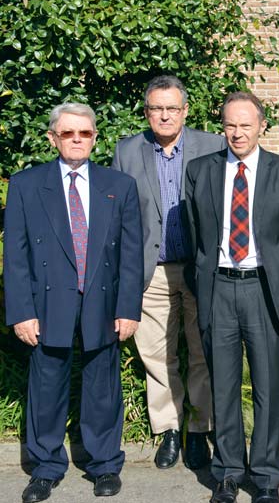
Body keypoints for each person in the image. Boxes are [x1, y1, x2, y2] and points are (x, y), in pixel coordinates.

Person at [5, 103, 143, 502]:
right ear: (53, 138)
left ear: (95, 138)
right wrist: (22, 312)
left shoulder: (119, 185)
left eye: (85, 133)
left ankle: (104, 466)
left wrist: (128, 308)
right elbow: (15, 256)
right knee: (46, 389)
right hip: (47, 305)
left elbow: (130, 256)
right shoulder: (27, 185)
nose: (78, 140)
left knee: (103, 389)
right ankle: (45, 468)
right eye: (68, 133)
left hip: (103, 302)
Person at [185, 92, 279, 503]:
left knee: (268, 387)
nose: (237, 133)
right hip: (218, 287)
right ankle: (228, 471)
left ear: (261, 126)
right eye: (230, 125)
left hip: (263, 289)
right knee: (224, 385)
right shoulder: (201, 170)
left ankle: (267, 476)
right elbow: (194, 232)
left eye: (245, 125)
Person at [112, 75, 223, 470]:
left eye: (171, 108)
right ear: (146, 112)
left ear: (185, 111)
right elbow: (118, 217)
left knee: (201, 351)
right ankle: (170, 428)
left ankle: (199, 430)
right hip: (151, 272)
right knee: (157, 356)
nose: (164, 115)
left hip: (199, 268)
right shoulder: (127, 151)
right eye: (156, 108)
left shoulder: (212, 145)